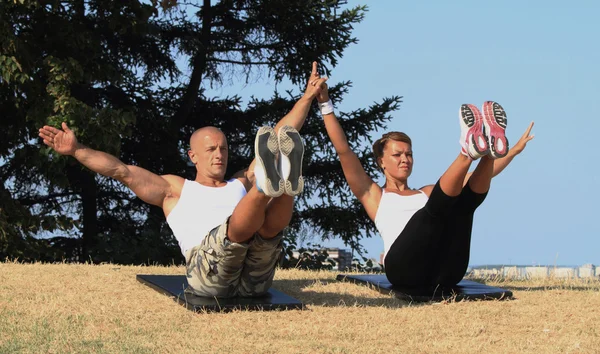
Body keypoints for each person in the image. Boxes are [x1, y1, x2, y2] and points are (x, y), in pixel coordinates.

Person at [38, 63, 328, 298]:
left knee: (268, 233)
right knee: (239, 227)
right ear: (193, 156)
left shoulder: (239, 181)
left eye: (224, 149)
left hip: (254, 283)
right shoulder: (174, 190)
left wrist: (306, 98)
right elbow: (121, 171)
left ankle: (285, 182)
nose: (219, 155)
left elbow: (277, 137)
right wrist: (77, 150)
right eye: (211, 150)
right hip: (207, 273)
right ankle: (270, 187)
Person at [315, 81, 534, 287]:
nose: (405, 159)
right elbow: (343, 150)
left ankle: (486, 150)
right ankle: (468, 151)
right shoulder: (374, 195)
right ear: (381, 161)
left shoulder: (426, 192)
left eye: (409, 154)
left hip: (446, 271)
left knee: (464, 204)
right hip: (404, 270)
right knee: (432, 211)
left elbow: (475, 179)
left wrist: (510, 152)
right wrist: (325, 103)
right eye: (397, 154)